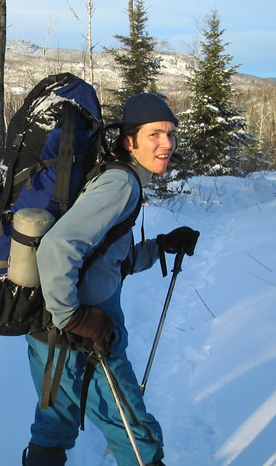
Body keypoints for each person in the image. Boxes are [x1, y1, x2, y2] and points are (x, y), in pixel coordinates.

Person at [24, 93, 200, 466]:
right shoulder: (122, 185)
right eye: (154, 134)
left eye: (171, 134)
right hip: (84, 336)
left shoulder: (114, 178)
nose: (166, 143)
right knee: (138, 439)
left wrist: (161, 247)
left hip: (48, 329)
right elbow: (57, 247)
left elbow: (107, 260)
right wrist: (75, 318)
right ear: (129, 140)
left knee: (52, 431)